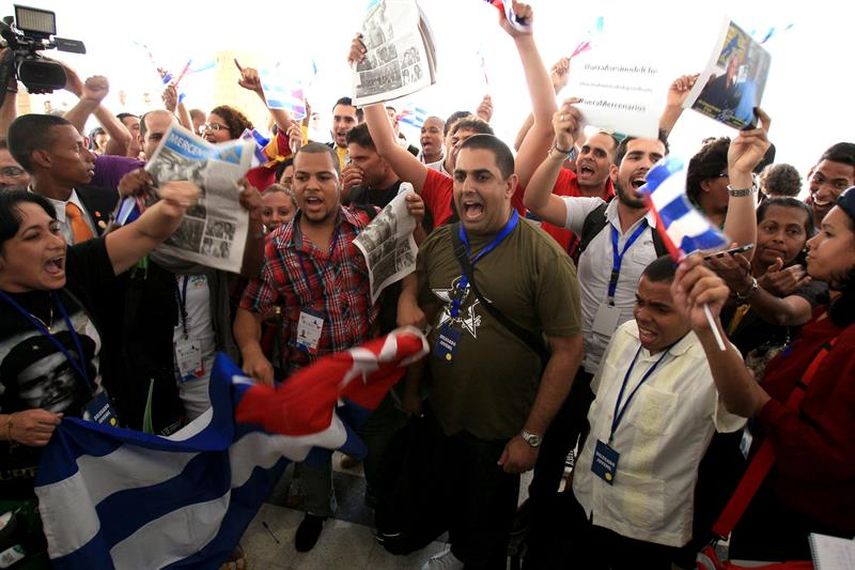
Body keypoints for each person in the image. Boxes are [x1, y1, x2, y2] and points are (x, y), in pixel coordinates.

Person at [397, 134, 583, 569]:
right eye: (460, 175)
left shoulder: (546, 260)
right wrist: (411, 390)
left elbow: (568, 351)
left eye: (483, 176)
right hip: (443, 411)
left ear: (509, 185)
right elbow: (425, 314)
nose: (467, 187)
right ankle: (458, 551)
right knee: (454, 503)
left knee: (488, 524)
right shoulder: (440, 244)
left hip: (501, 429)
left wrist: (531, 436)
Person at [235, 142, 423, 554]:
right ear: (292, 182)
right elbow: (248, 310)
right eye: (302, 177)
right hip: (310, 379)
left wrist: (409, 294)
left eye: (323, 176)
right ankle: (318, 510)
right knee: (313, 457)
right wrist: (252, 350)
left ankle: (379, 499)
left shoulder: (371, 224)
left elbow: (408, 262)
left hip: (366, 377)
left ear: (341, 182)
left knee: (380, 446)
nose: (312, 186)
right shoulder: (275, 249)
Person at [0, 181, 200, 566]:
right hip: (32, 491)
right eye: (33, 235)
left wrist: (176, 199)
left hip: (99, 458)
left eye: (52, 228)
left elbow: (145, 231)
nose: (55, 242)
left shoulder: (73, 272)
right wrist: (8, 425)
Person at [673, 186, 855, 561]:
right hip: (757, 499)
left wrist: (763, 404)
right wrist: (709, 324)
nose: (814, 243)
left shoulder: (840, 335)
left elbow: (831, 461)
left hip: (803, 533)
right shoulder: (830, 319)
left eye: (829, 234)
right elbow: (743, 400)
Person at [549, 256, 745, 570]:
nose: (643, 315)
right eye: (640, 302)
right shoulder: (625, 334)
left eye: (661, 309)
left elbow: (739, 414)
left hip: (645, 527)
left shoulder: (716, 361)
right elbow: (600, 413)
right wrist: (578, 474)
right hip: (588, 498)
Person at [7, 114, 118, 245]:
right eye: (77, 148)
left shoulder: (110, 200)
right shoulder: (14, 222)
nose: (91, 156)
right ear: (44, 158)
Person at [806, 142, 855, 228]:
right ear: (810, 174)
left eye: (839, 185)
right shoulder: (785, 217)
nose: (821, 193)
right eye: (818, 179)